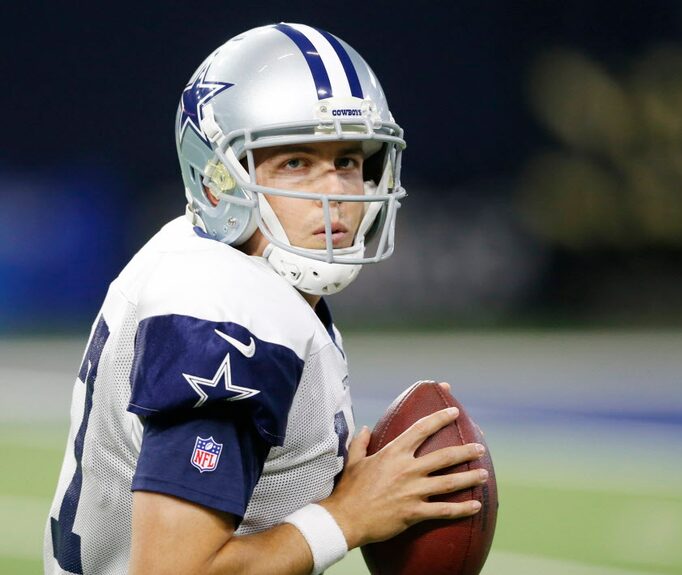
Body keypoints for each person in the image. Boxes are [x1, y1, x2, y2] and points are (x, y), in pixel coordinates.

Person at [44, 22, 486, 575]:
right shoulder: (229, 311)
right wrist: (346, 516)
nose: (338, 194)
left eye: (348, 161)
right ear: (216, 182)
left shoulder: (227, 268)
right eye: (296, 163)